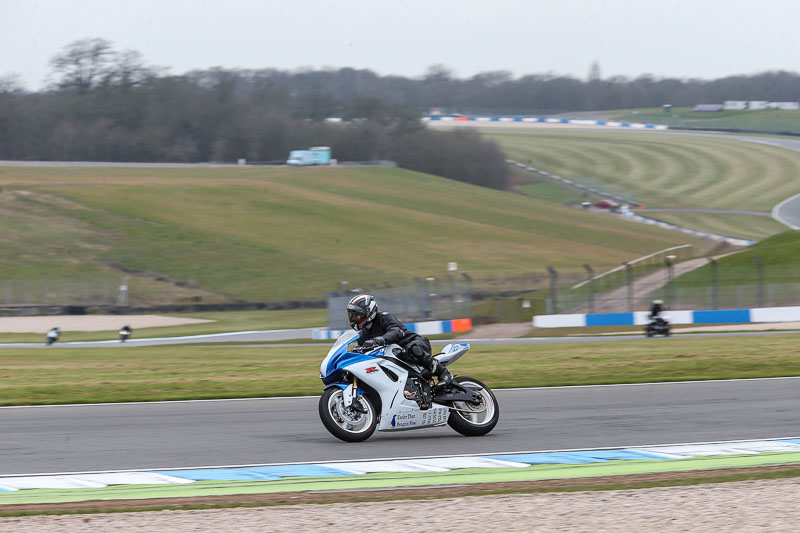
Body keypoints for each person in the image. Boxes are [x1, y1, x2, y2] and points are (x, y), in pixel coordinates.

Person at [346, 294, 453, 386]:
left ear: (368, 312)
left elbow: (396, 331)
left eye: (356, 315)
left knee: (412, 350)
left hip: (415, 345)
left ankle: (444, 373)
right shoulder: (363, 335)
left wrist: (380, 340)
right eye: (352, 315)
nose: (354, 319)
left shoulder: (385, 317)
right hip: (394, 359)